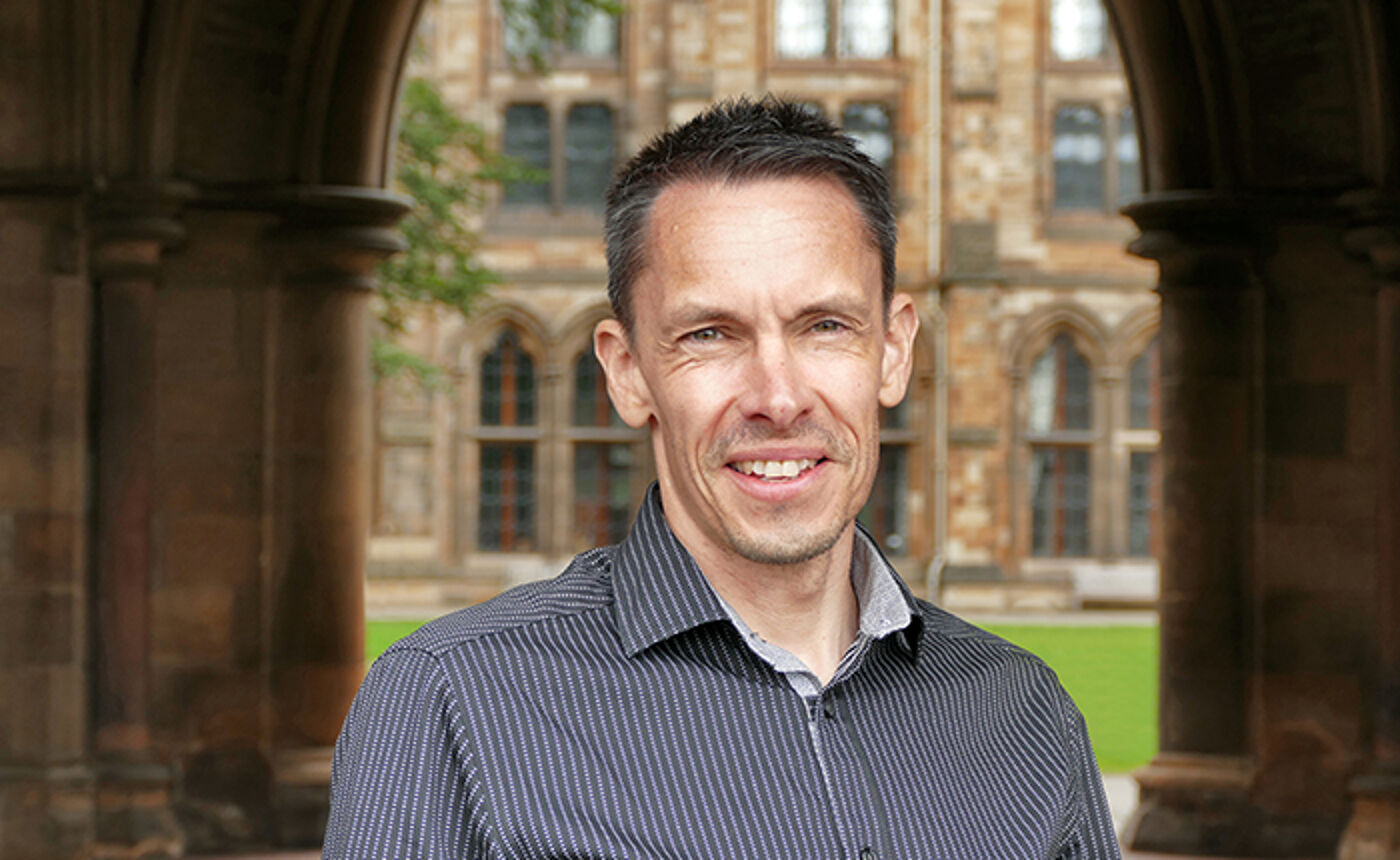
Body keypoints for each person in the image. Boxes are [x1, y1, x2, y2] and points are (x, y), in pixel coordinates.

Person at [323, 95, 1120, 859]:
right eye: (710, 334)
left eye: (826, 327)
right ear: (629, 372)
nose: (778, 397)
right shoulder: (451, 703)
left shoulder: (1024, 714)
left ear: (893, 350)